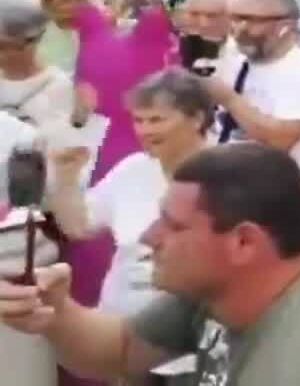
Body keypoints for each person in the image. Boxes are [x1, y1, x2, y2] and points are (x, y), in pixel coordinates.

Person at [0, 144, 300, 385]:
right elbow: (123, 350)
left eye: (173, 225)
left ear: (244, 242)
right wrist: (55, 312)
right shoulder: (238, 281)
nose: (150, 237)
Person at [47, 68, 213, 382]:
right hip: (126, 342)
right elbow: (78, 227)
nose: (145, 131)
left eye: (158, 120)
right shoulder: (133, 170)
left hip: (191, 350)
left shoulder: (230, 172)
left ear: (197, 119)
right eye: (139, 120)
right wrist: (65, 180)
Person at [203, 0, 300, 178]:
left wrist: (229, 99)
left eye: (252, 21)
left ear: (285, 27)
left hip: (270, 189)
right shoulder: (235, 62)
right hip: (223, 177)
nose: (240, 29)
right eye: (237, 18)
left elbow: (279, 141)